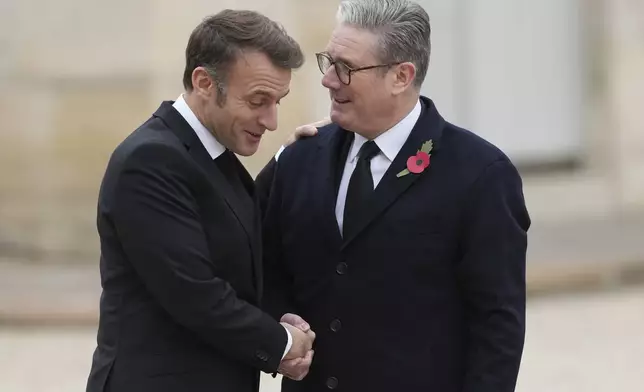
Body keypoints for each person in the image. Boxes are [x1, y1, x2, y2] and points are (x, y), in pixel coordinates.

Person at [256, 0, 531, 391]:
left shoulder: (480, 175)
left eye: (346, 68)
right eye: (328, 61)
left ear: (401, 76)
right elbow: (266, 266)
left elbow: (497, 326)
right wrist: (282, 323)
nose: (328, 80)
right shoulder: (300, 158)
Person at [86, 10, 316, 392]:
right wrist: (284, 344)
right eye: (258, 100)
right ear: (205, 82)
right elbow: (195, 293)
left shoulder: (206, 151)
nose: (271, 120)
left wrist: (288, 160)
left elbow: (229, 223)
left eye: (278, 101)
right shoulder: (149, 160)